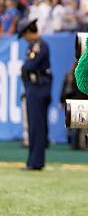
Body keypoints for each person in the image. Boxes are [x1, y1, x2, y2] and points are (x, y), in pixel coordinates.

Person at [18, 18, 52, 171]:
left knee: (36, 126)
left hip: (38, 88)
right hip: (35, 88)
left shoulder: (39, 46)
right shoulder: (35, 45)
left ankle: (35, 162)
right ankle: (33, 161)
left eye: (24, 34)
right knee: (35, 126)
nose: (24, 38)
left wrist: (25, 67)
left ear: (28, 32)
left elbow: (29, 66)